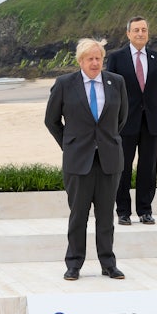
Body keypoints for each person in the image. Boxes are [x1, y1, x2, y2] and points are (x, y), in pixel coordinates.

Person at [45, 38, 129, 281]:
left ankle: (108, 264)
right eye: (90, 58)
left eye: (98, 58)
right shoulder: (64, 84)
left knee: (106, 216)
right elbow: (51, 120)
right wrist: (69, 145)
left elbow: (121, 118)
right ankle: (74, 264)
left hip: (109, 159)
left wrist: (105, 141)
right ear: (80, 61)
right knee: (78, 216)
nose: (95, 63)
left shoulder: (116, 82)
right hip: (78, 161)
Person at [105, 16, 157, 225]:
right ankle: (123, 211)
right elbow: (110, 92)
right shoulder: (116, 58)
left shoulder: (156, 58)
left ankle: (145, 210)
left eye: (144, 30)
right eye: (136, 30)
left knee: (148, 167)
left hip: (151, 121)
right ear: (128, 33)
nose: (140, 33)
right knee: (122, 167)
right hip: (124, 122)